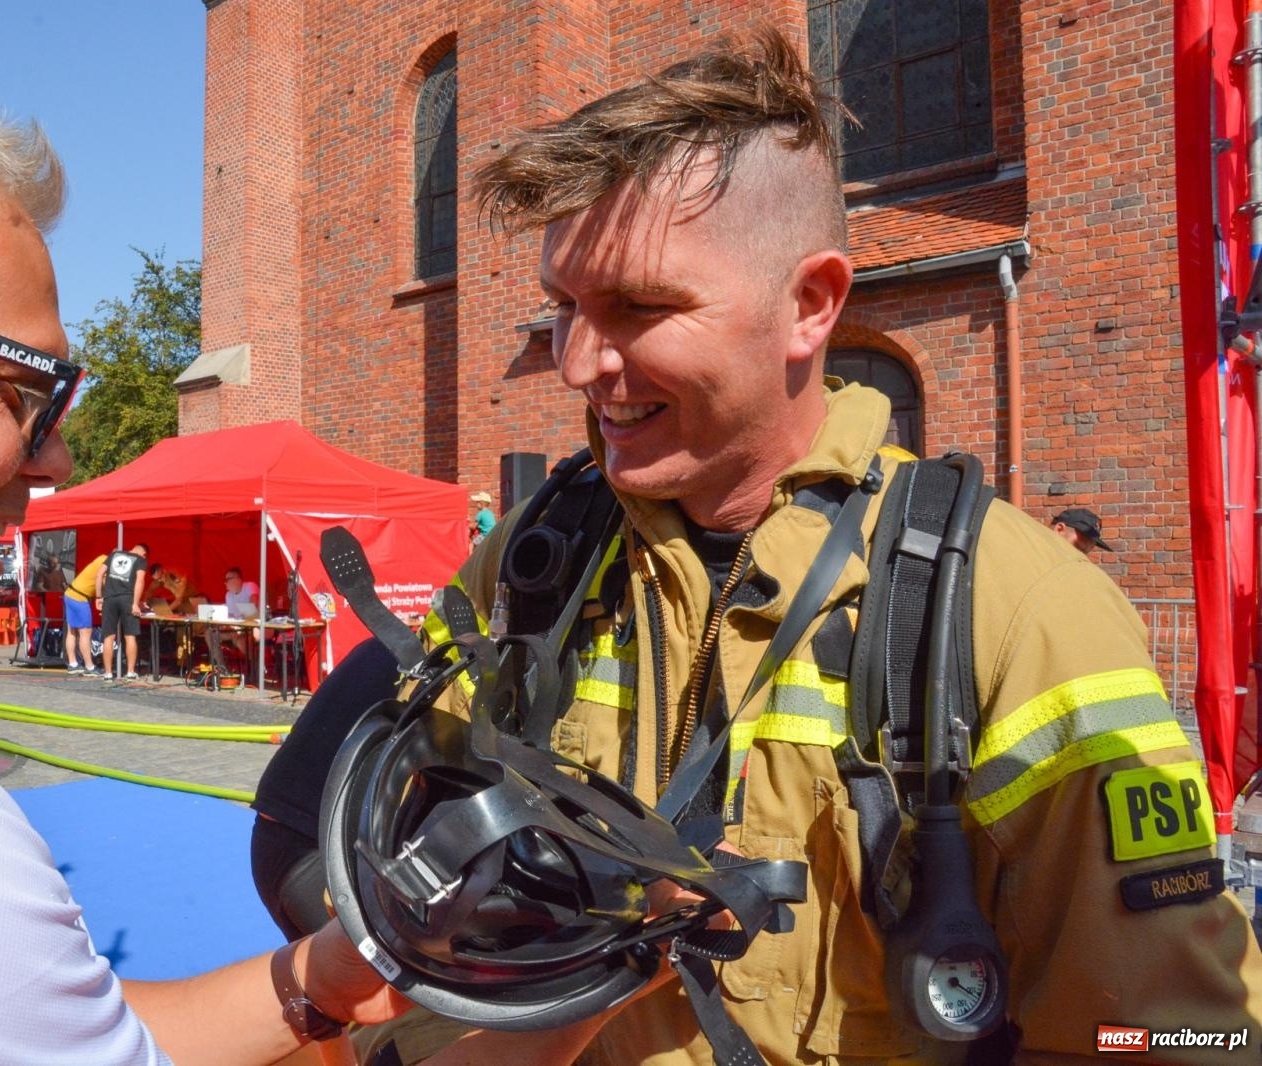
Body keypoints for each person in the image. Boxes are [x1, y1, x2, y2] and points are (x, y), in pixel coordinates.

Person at [0, 46, 671, 1066]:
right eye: (27, 390)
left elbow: (55, 1027)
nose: (53, 455)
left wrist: (314, 978)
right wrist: (593, 985)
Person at [344, 28, 1262, 1064]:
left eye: (640, 307)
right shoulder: (530, 566)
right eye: (563, 309)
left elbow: (1173, 1035)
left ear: (812, 305)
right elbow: (414, 893)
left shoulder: (1018, 612)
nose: (580, 363)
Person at [98, 543, 149, 681]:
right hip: (127, 598)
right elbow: (140, 581)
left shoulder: (114, 555)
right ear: (142, 552)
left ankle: (108, 673)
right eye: (145, 555)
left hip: (109, 598)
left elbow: (100, 574)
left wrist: (99, 596)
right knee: (130, 636)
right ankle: (130, 672)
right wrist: (135, 603)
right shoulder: (140, 560)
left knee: (108, 636)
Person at [207, 565, 260, 674]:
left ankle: (257, 667)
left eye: (227, 580)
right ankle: (223, 668)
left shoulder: (250, 586)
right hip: (235, 629)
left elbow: (253, 605)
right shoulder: (228, 595)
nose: (225, 583)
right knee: (210, 633)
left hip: (254, 627)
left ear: (237, 579)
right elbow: (230, 616)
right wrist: (227, 625)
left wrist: (239, 626)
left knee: (241, 640)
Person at [62, 550, 108, 674]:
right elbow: (101, 580)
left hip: (70, 593)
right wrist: (99, 597)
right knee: (85, 632)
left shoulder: (101, 557)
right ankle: (89, 666)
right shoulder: (106, 562)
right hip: (80, 597)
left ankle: (72, 664)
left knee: (72, 631)